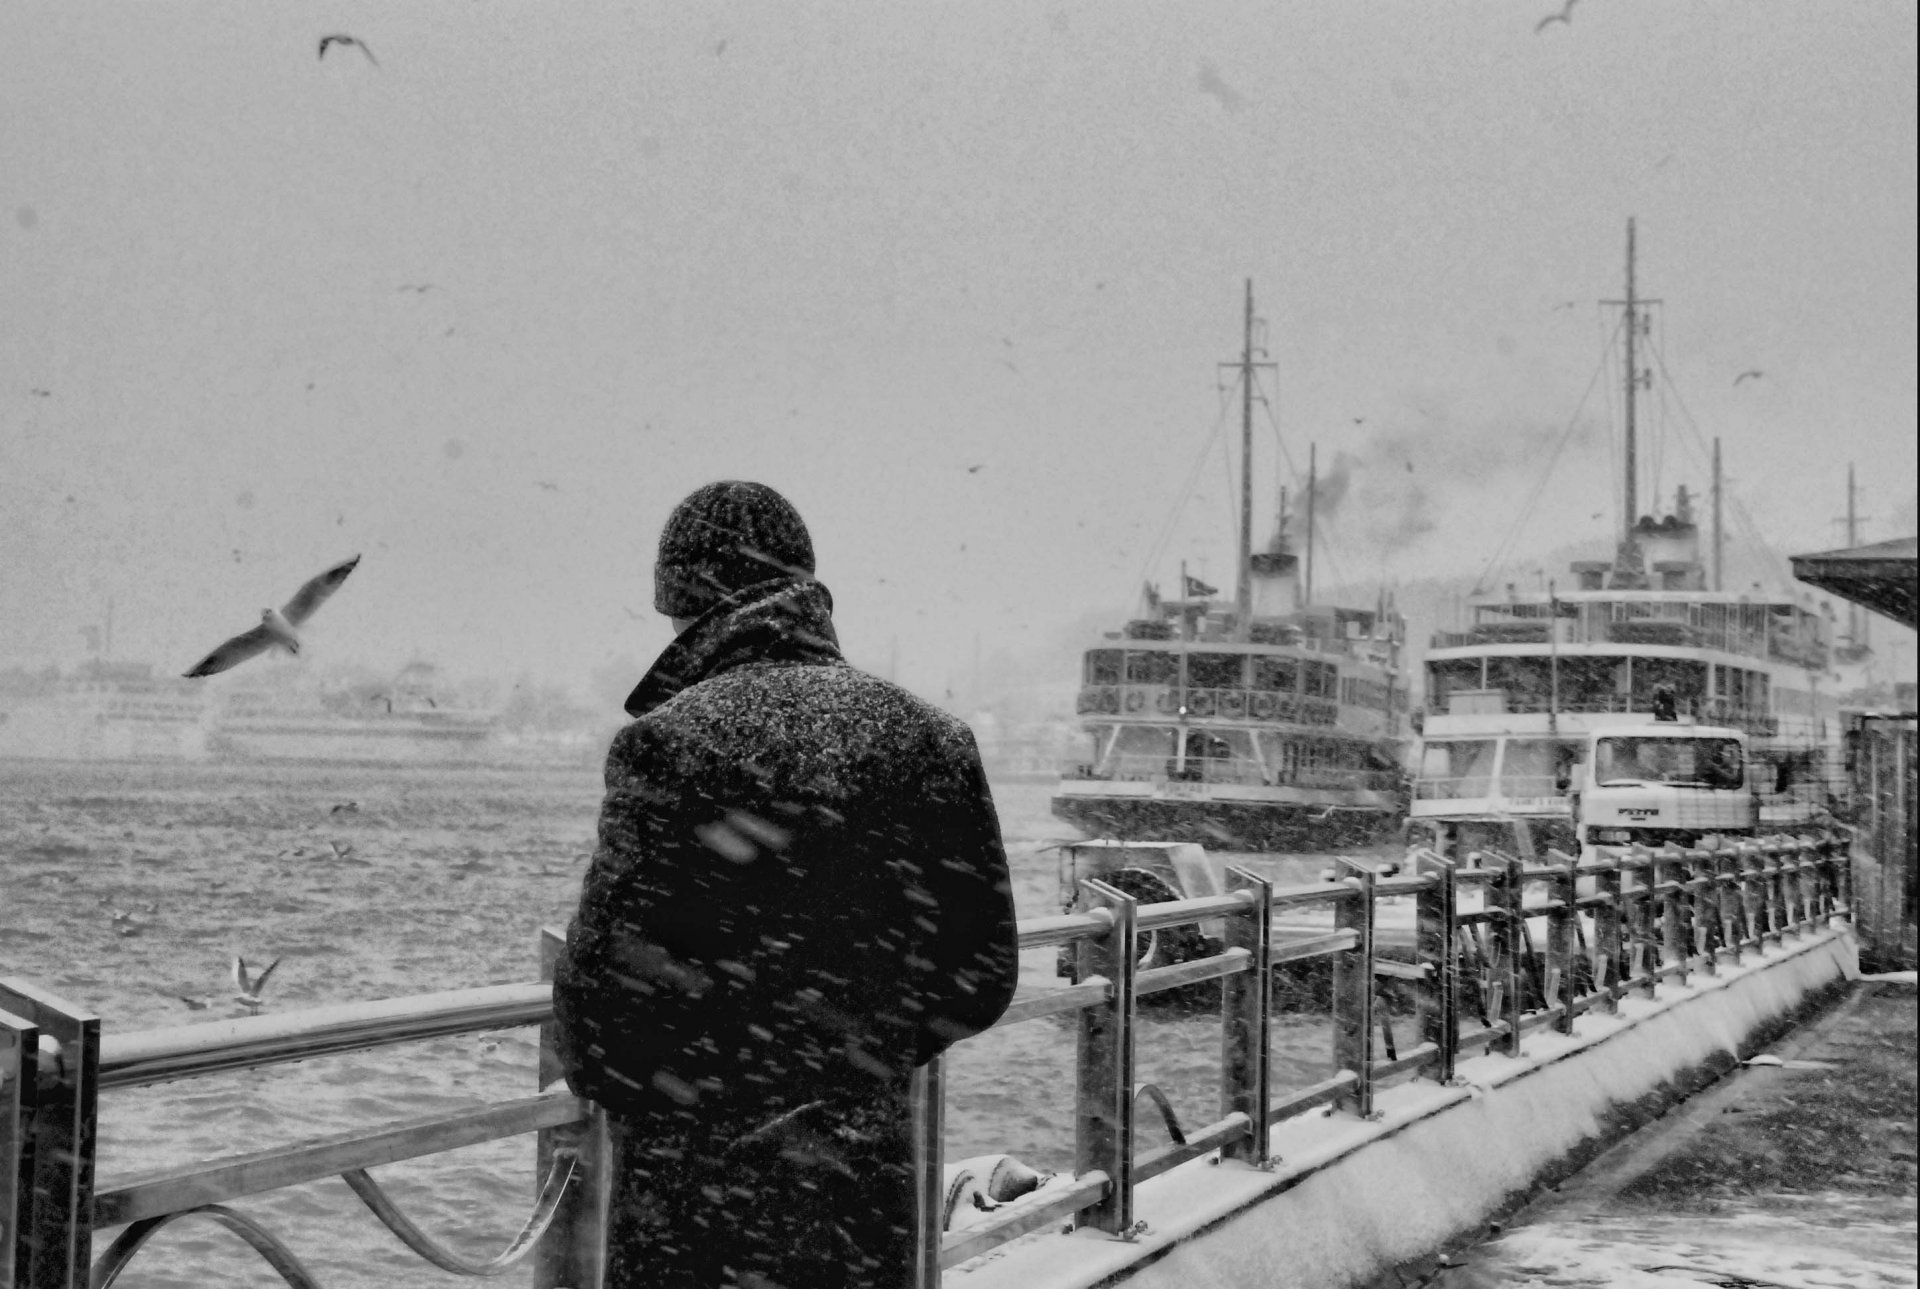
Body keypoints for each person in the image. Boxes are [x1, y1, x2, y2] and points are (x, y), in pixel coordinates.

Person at [552, 480, 1020, 1289]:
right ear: (807, 589)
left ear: (684, 604)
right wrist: (853, 1061)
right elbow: (982, 976)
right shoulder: (931, 740)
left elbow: (598, 1019)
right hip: (859, 1201)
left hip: (692, 1214)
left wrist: (711, 1085)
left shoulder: (667, 746)